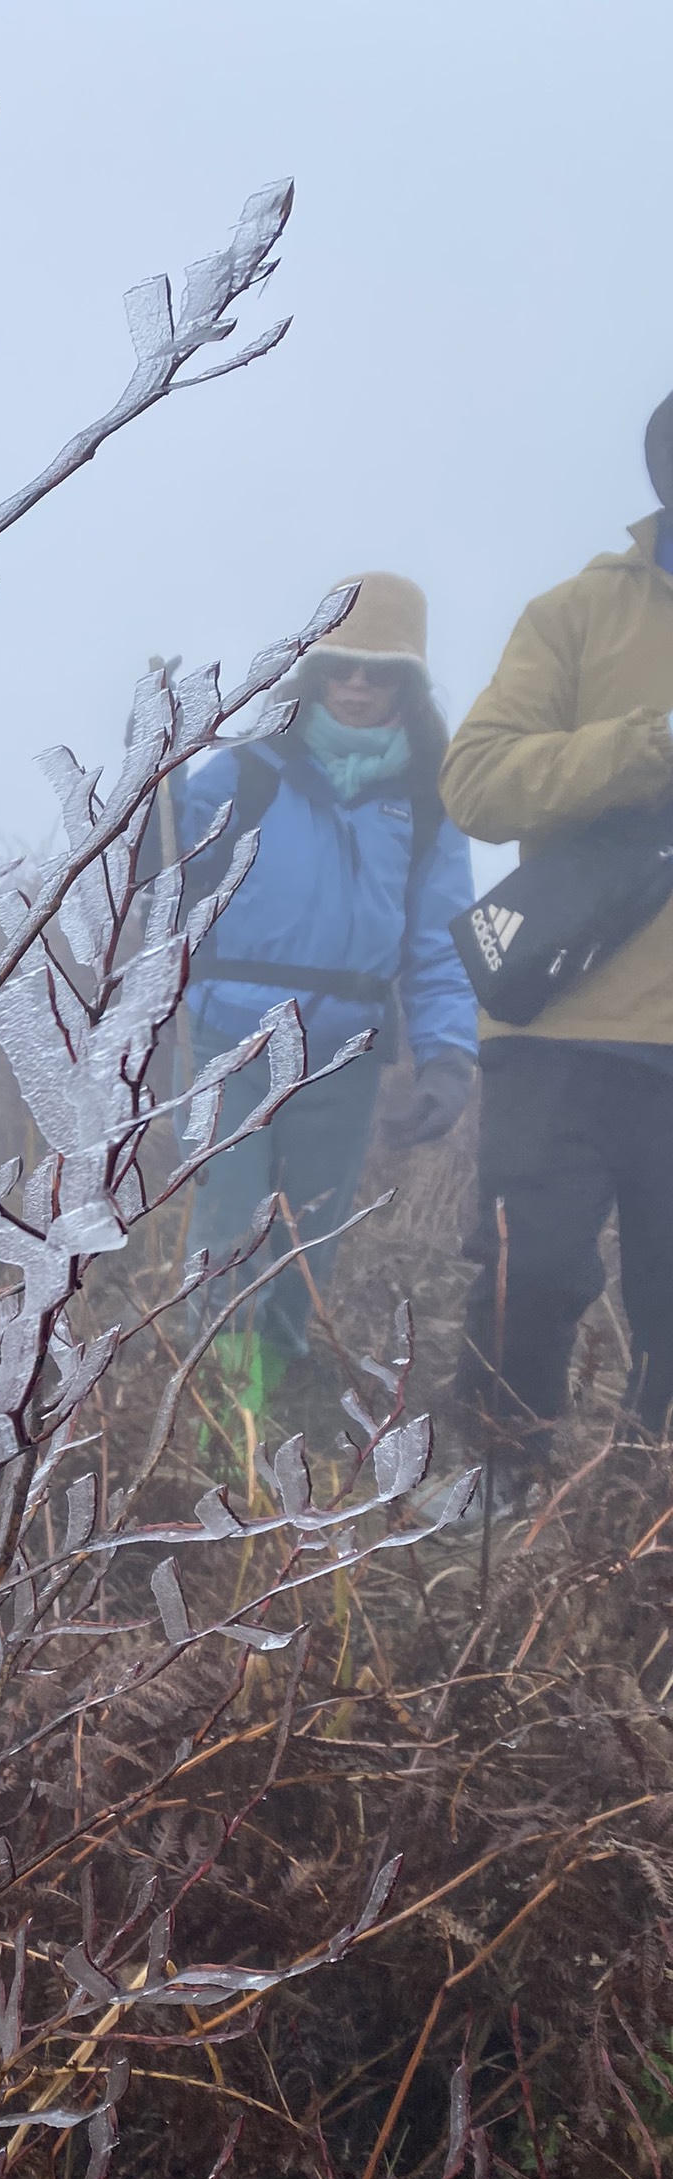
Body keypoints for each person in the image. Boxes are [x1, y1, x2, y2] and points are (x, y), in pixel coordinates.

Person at [170, 573, 478, 1408]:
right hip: (228, 1042)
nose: (357, 683)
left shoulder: (428, 803)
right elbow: (159, 891)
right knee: (232, 1239)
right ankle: (224, 1439)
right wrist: (145, 790)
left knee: (306, 1247)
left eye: (381, 670)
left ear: (408, 684)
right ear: (313, 671)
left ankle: (269, 1418)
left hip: (346, 1055)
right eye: (341, 665)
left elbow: (441, 947)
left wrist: (449, 1056)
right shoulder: (239, 776)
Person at [442, 398, 673, 1468]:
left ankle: (643, 1517)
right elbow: (477, 785)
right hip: (563, 1024)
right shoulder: (575, 616)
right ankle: (495, 1485)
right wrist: (649, 746)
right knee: (528, 1275)